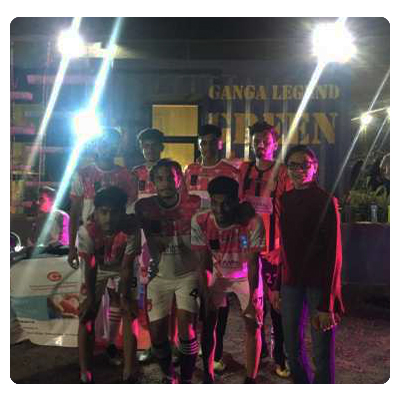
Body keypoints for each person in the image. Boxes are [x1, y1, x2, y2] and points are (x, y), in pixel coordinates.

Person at [270, 145, 344, 384]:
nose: (298, 170)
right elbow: (284, 247)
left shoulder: (326, 201)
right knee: (291, 349)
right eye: (293, 165)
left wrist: (328, 302)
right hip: (290, 283)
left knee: (321, 353)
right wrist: (277, 285)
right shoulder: (285, 199)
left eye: (304, 165)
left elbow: (334, 254)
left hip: (318, 284)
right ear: (286, 169)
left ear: (315, 168)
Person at [69, 127, 137, 366]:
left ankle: (114, 347)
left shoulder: (126, 175)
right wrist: (71, 247)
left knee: (123, 302)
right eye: (103, 143)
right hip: (92, 245)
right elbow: (75, 211)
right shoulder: (84, 173)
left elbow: (130, 212)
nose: (107, 147)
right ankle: (85, 371)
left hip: (119, 246)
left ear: (117, 146)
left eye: (112, 143)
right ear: (96, 145)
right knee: (89, 307)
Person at [131, 158, 201, 383]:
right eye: (160, 178)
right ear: (153, 182)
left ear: (179, 179)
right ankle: (169, 375)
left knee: (187, 330)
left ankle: (187, 380)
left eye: (171, 177)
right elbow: (129, 231)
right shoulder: (143, 207)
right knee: (157, 334)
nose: (166, 183)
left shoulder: (195, 203)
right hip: (158, 278)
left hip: (188, 275)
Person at [192, 176, 265, 384]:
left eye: (226, 203)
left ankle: (250, 378)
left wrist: (253, 298)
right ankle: (208, 374)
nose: (220, 209)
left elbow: (253, 263)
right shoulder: (200, 221)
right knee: (208, 321)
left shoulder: (252, 222)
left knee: (252, 323)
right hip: (218, 272)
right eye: (215, 203)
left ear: (236, 200)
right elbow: (204, 262)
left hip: (244, 274)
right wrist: (206, 294)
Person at [184, 124, 240, 373]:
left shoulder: (230, 171)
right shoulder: (191, 170)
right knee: (196, 293)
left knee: (219, 297)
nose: (206, 147)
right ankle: (193, 346)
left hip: (221, 243)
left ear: (220, 142)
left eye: (210, 142)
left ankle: (216, 352)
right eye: (202, 143)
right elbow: (185, 203)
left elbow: (238, 205)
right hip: (195, 239)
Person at [238, 121, 291, 378]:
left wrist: (283, 245)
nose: (260, 146)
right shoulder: (245, 169)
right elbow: (240, 206)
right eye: (256, 141)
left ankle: (281, 356)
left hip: (273, 249)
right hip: (249, 246)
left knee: (276, 304)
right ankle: (261, 354)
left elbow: (289, 210)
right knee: (253, 302)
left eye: (265, 142)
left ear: (274, 144)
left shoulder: (282, 172)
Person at [77, 186, 141, 383]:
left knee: (129, 312)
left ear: (123, 212)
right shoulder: (86, 231)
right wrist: (90, 299)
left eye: (114, 213)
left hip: (122, 266)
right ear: (95, 212)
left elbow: (127, 267)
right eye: (104, 212)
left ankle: (128, 370)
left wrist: (124, 297)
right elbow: (90, 267)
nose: (109, 218)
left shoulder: (132, 229)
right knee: (86, 314)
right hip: (97, 268)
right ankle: (85, 371)